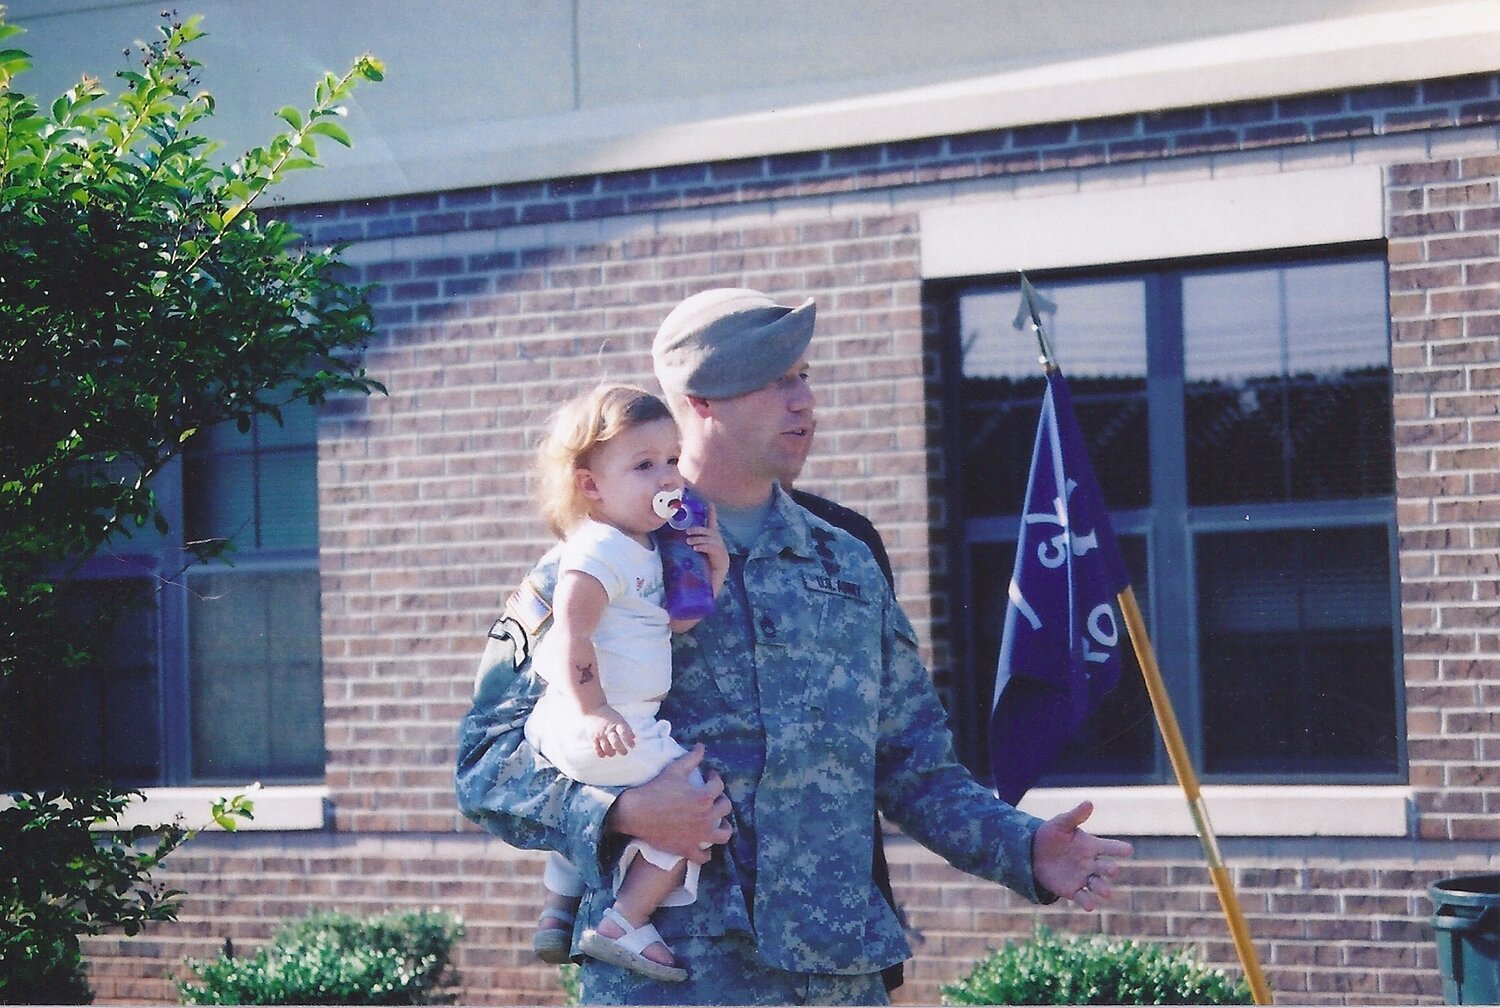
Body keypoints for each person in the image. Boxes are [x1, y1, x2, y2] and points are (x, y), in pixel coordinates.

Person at [456, 288, 1133, 1006]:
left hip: (836, 976)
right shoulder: (593, 569)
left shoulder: (846, 563)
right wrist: (621, 813)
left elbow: (915, 766)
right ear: (702, 401)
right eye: (777, 381)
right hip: (675, 979)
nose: (804, 401)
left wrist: (1023, 847)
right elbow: (486, 762)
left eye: (804, 377)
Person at [521, 384, 729, 983]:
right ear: (590, 485)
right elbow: (568, 634)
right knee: (699, 802)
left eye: (672, 461)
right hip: (605, 719)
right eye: (643, 466)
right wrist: (595, 709)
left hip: (597, 722)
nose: (666, 478)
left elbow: (681, 620)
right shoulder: (597, 550)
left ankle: (558, 908)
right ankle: (624, 920)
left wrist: (712, 567)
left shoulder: (644, 546)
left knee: (602, 790)